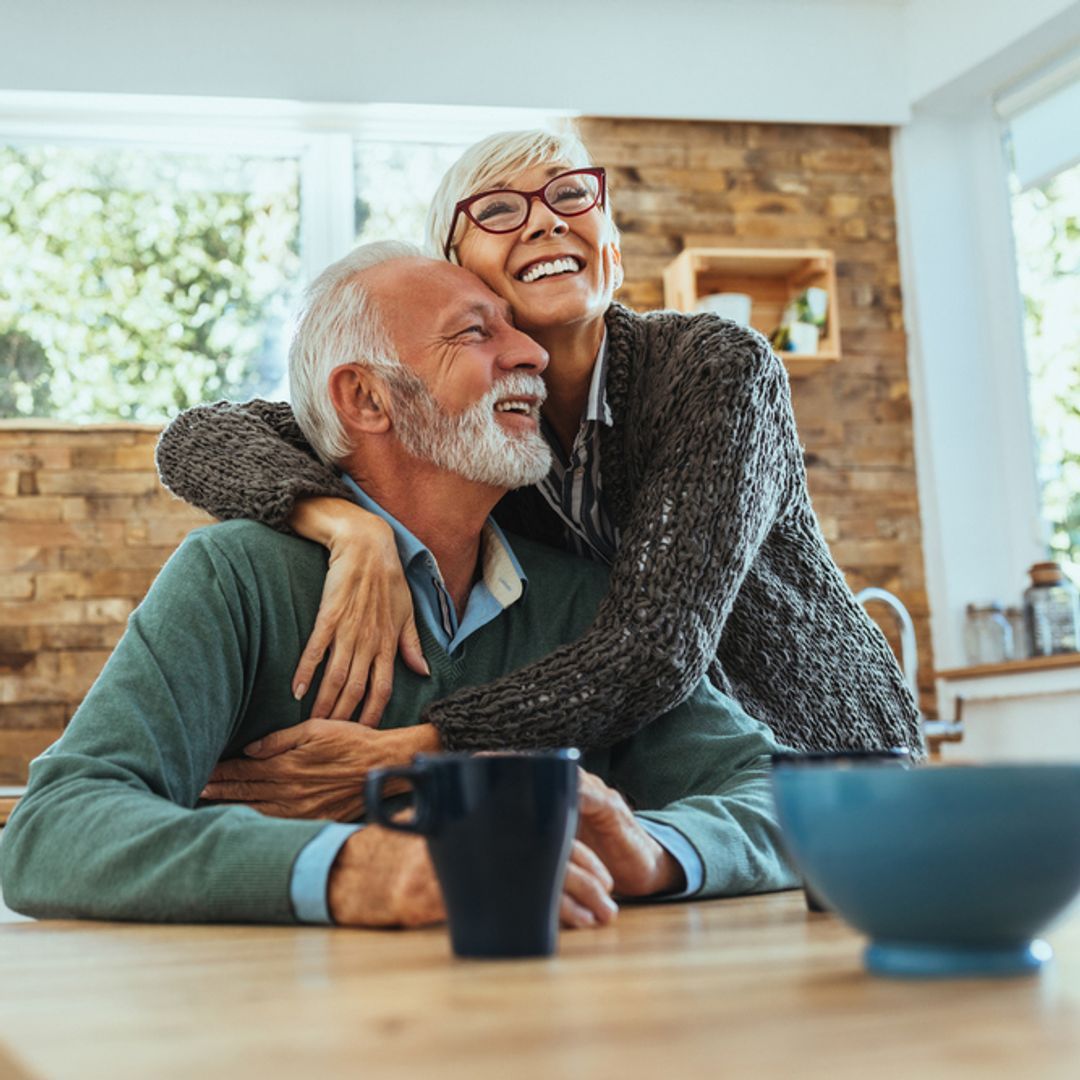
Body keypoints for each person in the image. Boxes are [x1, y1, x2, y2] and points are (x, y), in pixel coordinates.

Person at [0, 243, 797, 929]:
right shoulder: (236, 577)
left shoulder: (585, 602)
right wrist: (357, 868)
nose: (532, 355)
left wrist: (653, 851)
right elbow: (53, 830)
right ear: (366, 397)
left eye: (516, 330)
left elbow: (782, 798)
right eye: (476, 334)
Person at [155, 128, 924, 782]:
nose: (547, 222)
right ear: (456, 273)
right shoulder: (472, 430)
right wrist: (347, 528)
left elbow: (655, 646)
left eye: (570, 197)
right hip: (665, 778)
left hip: (826, 755)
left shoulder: (716, 369)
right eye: (497, 209)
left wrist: (423, 749)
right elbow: (200, 436)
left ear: (612, 254)